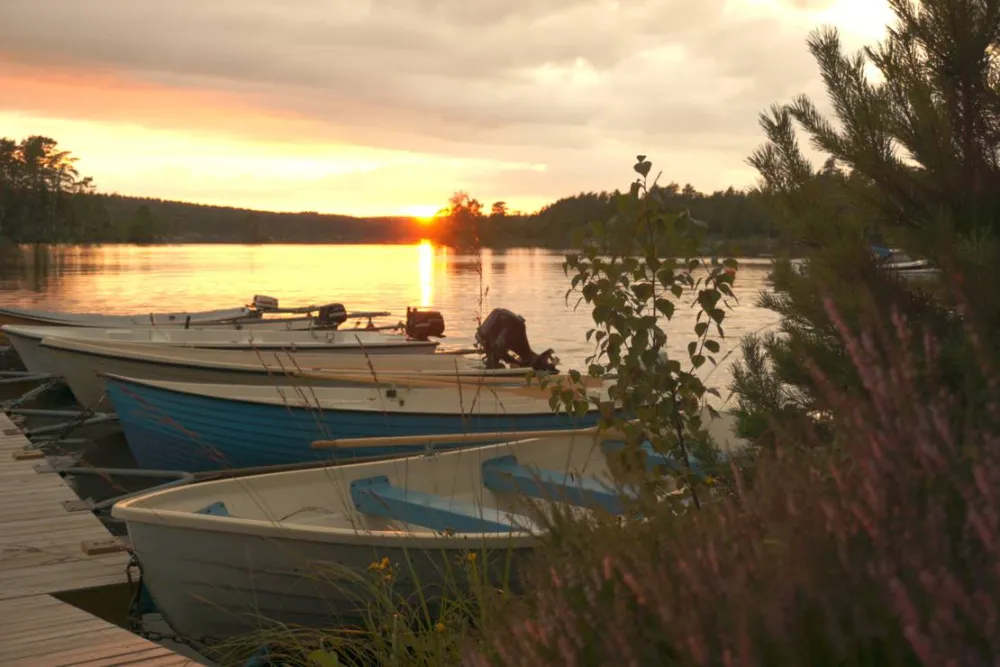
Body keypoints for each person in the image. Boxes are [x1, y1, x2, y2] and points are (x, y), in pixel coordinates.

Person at [476, 308, 557, 371]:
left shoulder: (519, 333)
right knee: (496, 358)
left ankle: (492, 363)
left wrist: (513, 361)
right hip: (492, 330)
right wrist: (514, 361)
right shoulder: (518, 332)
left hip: (487, 330)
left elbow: (500, 349)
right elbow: (499, 349)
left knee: (496, 359)